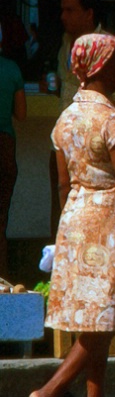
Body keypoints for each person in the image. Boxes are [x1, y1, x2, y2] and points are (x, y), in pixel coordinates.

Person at [33, 34, 115, 397]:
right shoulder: (111, 119)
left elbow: (63, 184)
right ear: (101, 68)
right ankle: (49, 390)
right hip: (106, 224)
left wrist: (70, 226)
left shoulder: (66, 119)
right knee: (101, 323)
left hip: (75, 218)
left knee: (98, 317)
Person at [50, 0, 115, 239]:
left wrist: (100, 132)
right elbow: (71, 89)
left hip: (98, 146)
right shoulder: (67, 45)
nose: (63, 16)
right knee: (63, 200)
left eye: (70, 10)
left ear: (89, 14)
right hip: (66, 140)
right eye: (62, 10)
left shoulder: (111, 49)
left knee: (100, 210)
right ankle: (59, 258)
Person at [0, 49, 26, 278]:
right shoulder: (11, 69)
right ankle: (2, 275)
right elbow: (21, 113)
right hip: (4, 146)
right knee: (1, 219)